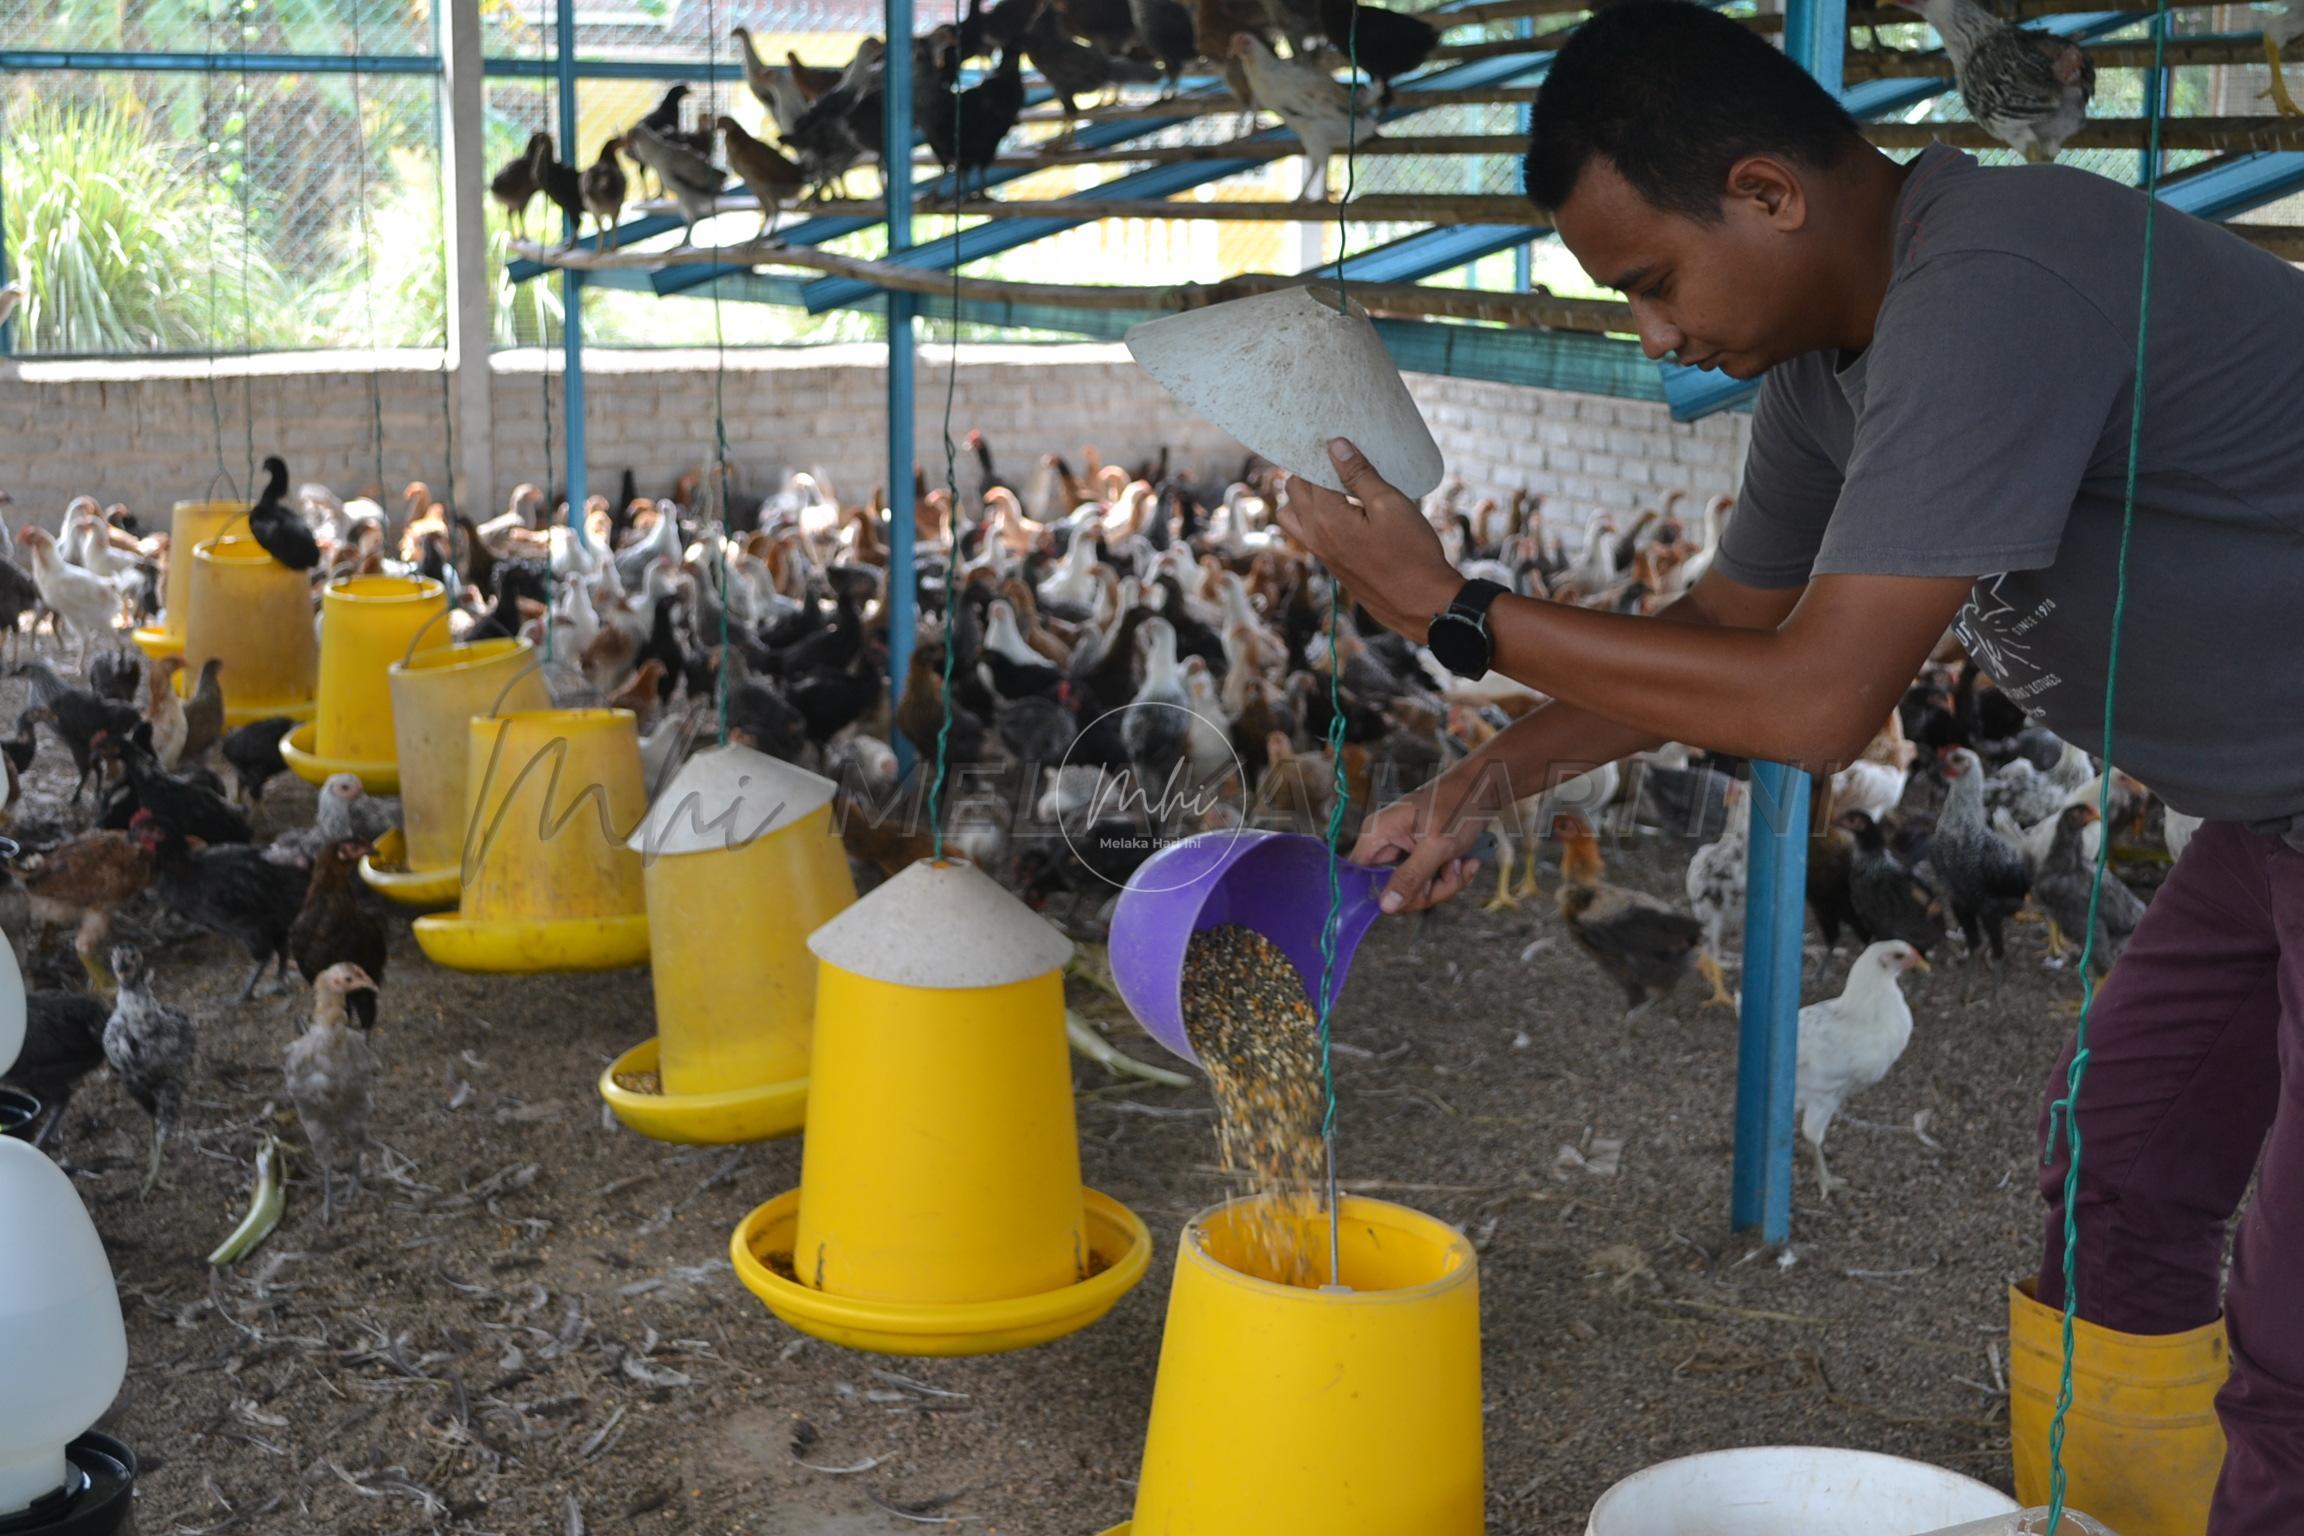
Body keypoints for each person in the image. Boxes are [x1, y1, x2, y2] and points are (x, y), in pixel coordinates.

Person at [1272, 3, 2304, 1532]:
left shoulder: (1993, 281)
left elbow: (1816, 707)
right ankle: (2126, 1508)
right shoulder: (1831, 368)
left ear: (1767, 192)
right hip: (2272, 813)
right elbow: (1719, 632)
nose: (1656, 337)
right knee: (2125, 1155)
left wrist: (1452, 607)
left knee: (2296, 1318)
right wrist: (1483, 784)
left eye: (1652, 281)